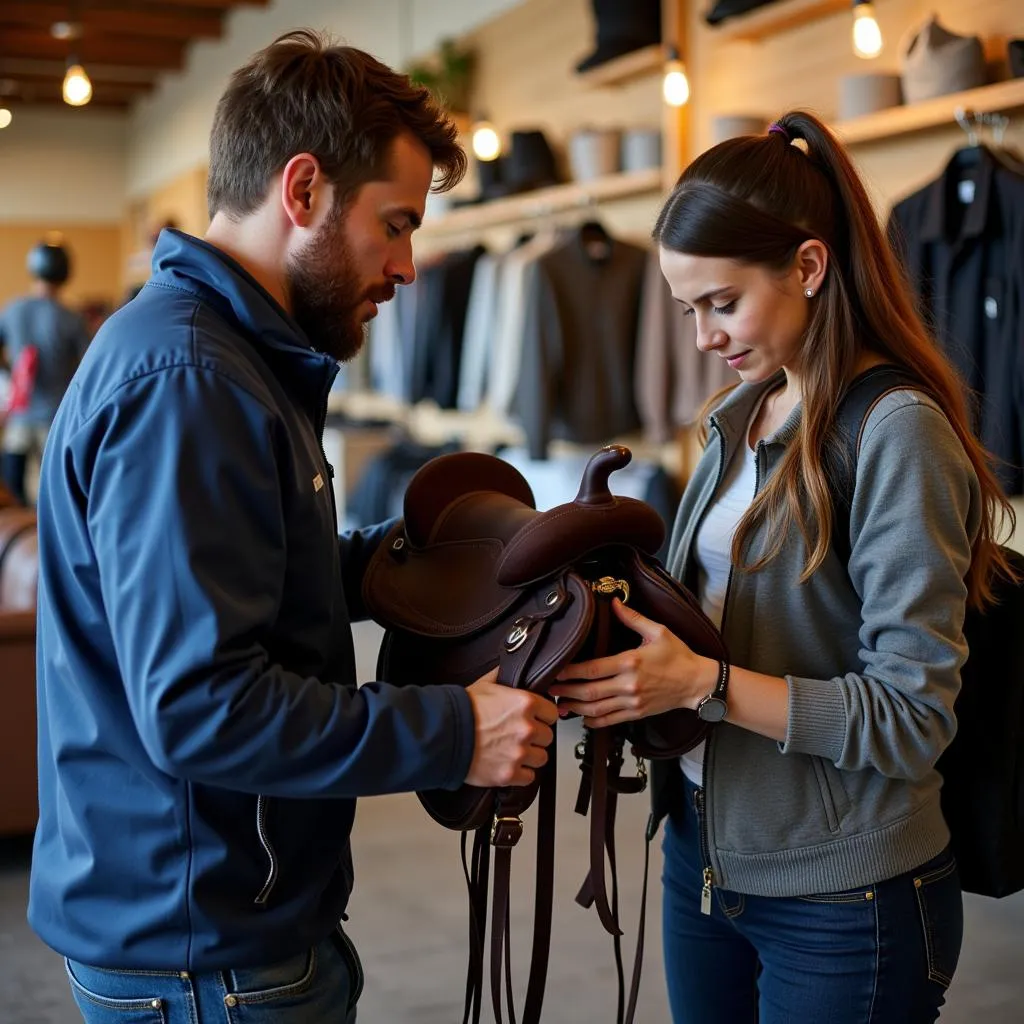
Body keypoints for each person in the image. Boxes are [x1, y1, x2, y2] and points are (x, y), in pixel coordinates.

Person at [29, 29, 557, 1022]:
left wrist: (394, 568)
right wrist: (455, 731)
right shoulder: (191, 382)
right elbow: (199, 703)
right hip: (203, 950)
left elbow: (242, 581)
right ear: (304, 189)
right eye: (393, 225)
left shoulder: (228, 357)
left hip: (215, 921)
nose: (406, 267)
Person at [550, 110, 1017, 1023]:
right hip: (705, 859)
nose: (703, 338)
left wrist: (702, 682)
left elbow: (913, 716)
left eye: (722, 304)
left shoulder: (896, 433)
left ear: (808, 267)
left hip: (846, 899)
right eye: (688, 309)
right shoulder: (742, 417)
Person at [0, 240, 90, 504]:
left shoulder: (12, 310)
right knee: (53, 497)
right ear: (65, 273)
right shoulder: (71, 318)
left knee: (13, 498)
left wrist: (10, 380)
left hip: (19, 417)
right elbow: (88, 368)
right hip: (56, 419)